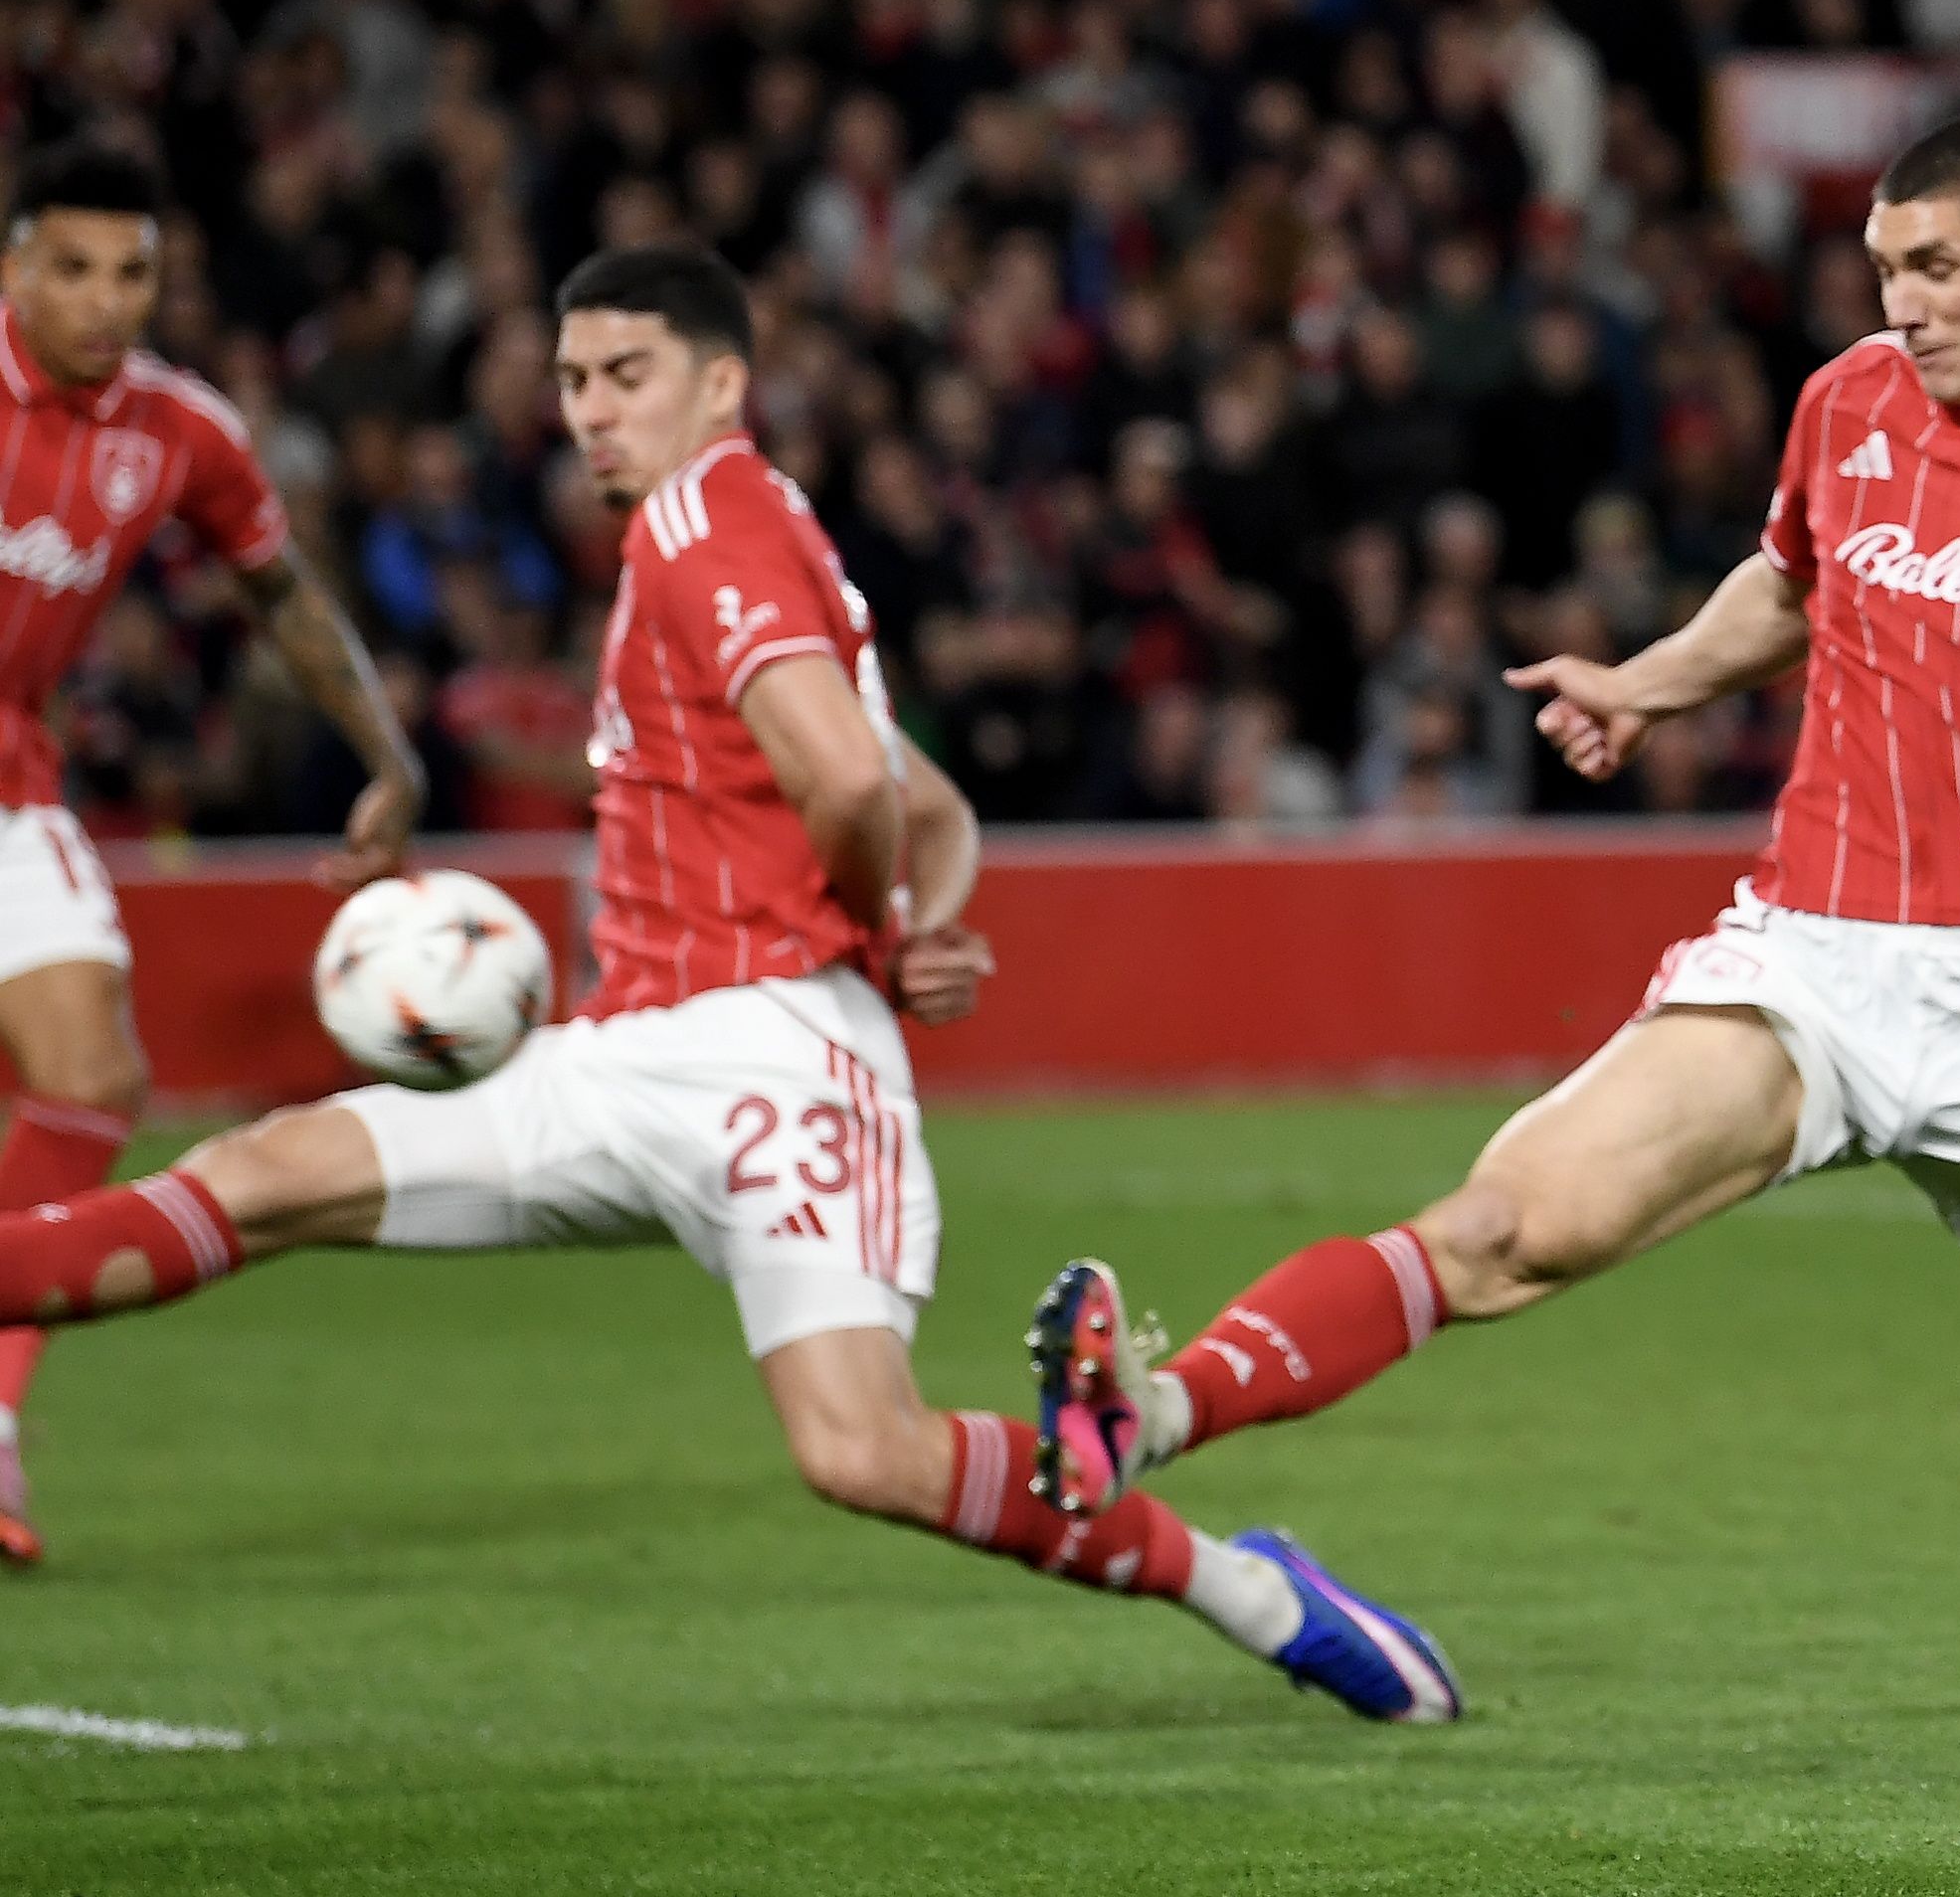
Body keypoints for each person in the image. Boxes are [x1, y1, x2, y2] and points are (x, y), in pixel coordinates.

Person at [1019, 115, 1960, 1703]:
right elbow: (1787, 589)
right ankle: (1151, 1411)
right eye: (1885, 269)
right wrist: (1646, 684)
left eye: (1935, 266)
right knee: (1503, 1232)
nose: (1902, 302)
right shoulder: (1848, 401)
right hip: (1810, 960)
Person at [0, 243, 1454, 1720]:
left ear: (722, 384)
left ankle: (1254, 1588)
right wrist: (914, 913)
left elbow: (845, 781)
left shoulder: (709, 518)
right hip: (625, 1053)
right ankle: (1254, 1587)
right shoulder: (740, 534)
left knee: (863, 1453)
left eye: (626, 376)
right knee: (258, 1174)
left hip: (774, 1059)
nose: (587, 412)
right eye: (570, 381)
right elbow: (927, 807)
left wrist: (876, 937)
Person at [0, 139, 424, 1568]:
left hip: (10, 781)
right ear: (15, 266)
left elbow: (284, 594)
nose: (105, 300)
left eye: (133, 272)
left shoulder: (177, 429)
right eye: (71, 268)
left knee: (93, 1075)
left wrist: (387, 754)